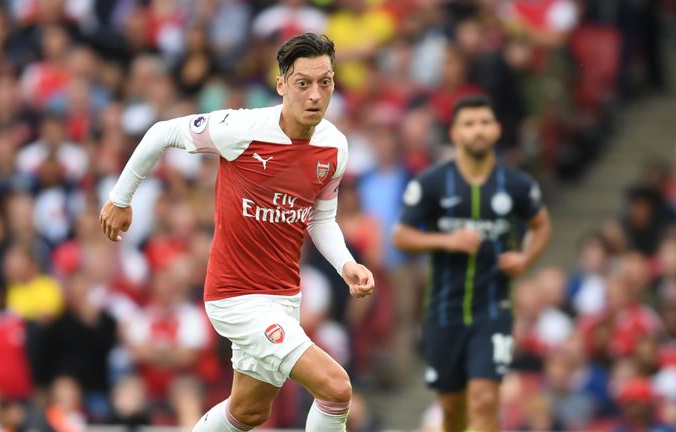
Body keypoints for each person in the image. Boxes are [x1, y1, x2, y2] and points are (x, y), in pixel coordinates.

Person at [99, 33, 375, 432]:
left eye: (325, 82)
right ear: (281, 85)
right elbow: (161, 133)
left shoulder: (334, 147)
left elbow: (320, 218)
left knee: (247, 412)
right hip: (235, 297)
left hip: (283, 296)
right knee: (335, 388)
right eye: (303, 83)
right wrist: (120, 200)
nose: (315, 94)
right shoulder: (242, 128)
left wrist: (346, 264)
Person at [392, 94, 551, 432]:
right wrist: (445, 240)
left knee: (484, 397)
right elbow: (401, 236)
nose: (477, 130)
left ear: (496, 129)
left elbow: (541, 225)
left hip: (493, 309)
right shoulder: (433, 182)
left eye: (484, 123)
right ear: (455, 133)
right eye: (469, 124)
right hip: (443, 311)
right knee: (452, 408)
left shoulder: (517, 184)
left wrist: (525, 258)